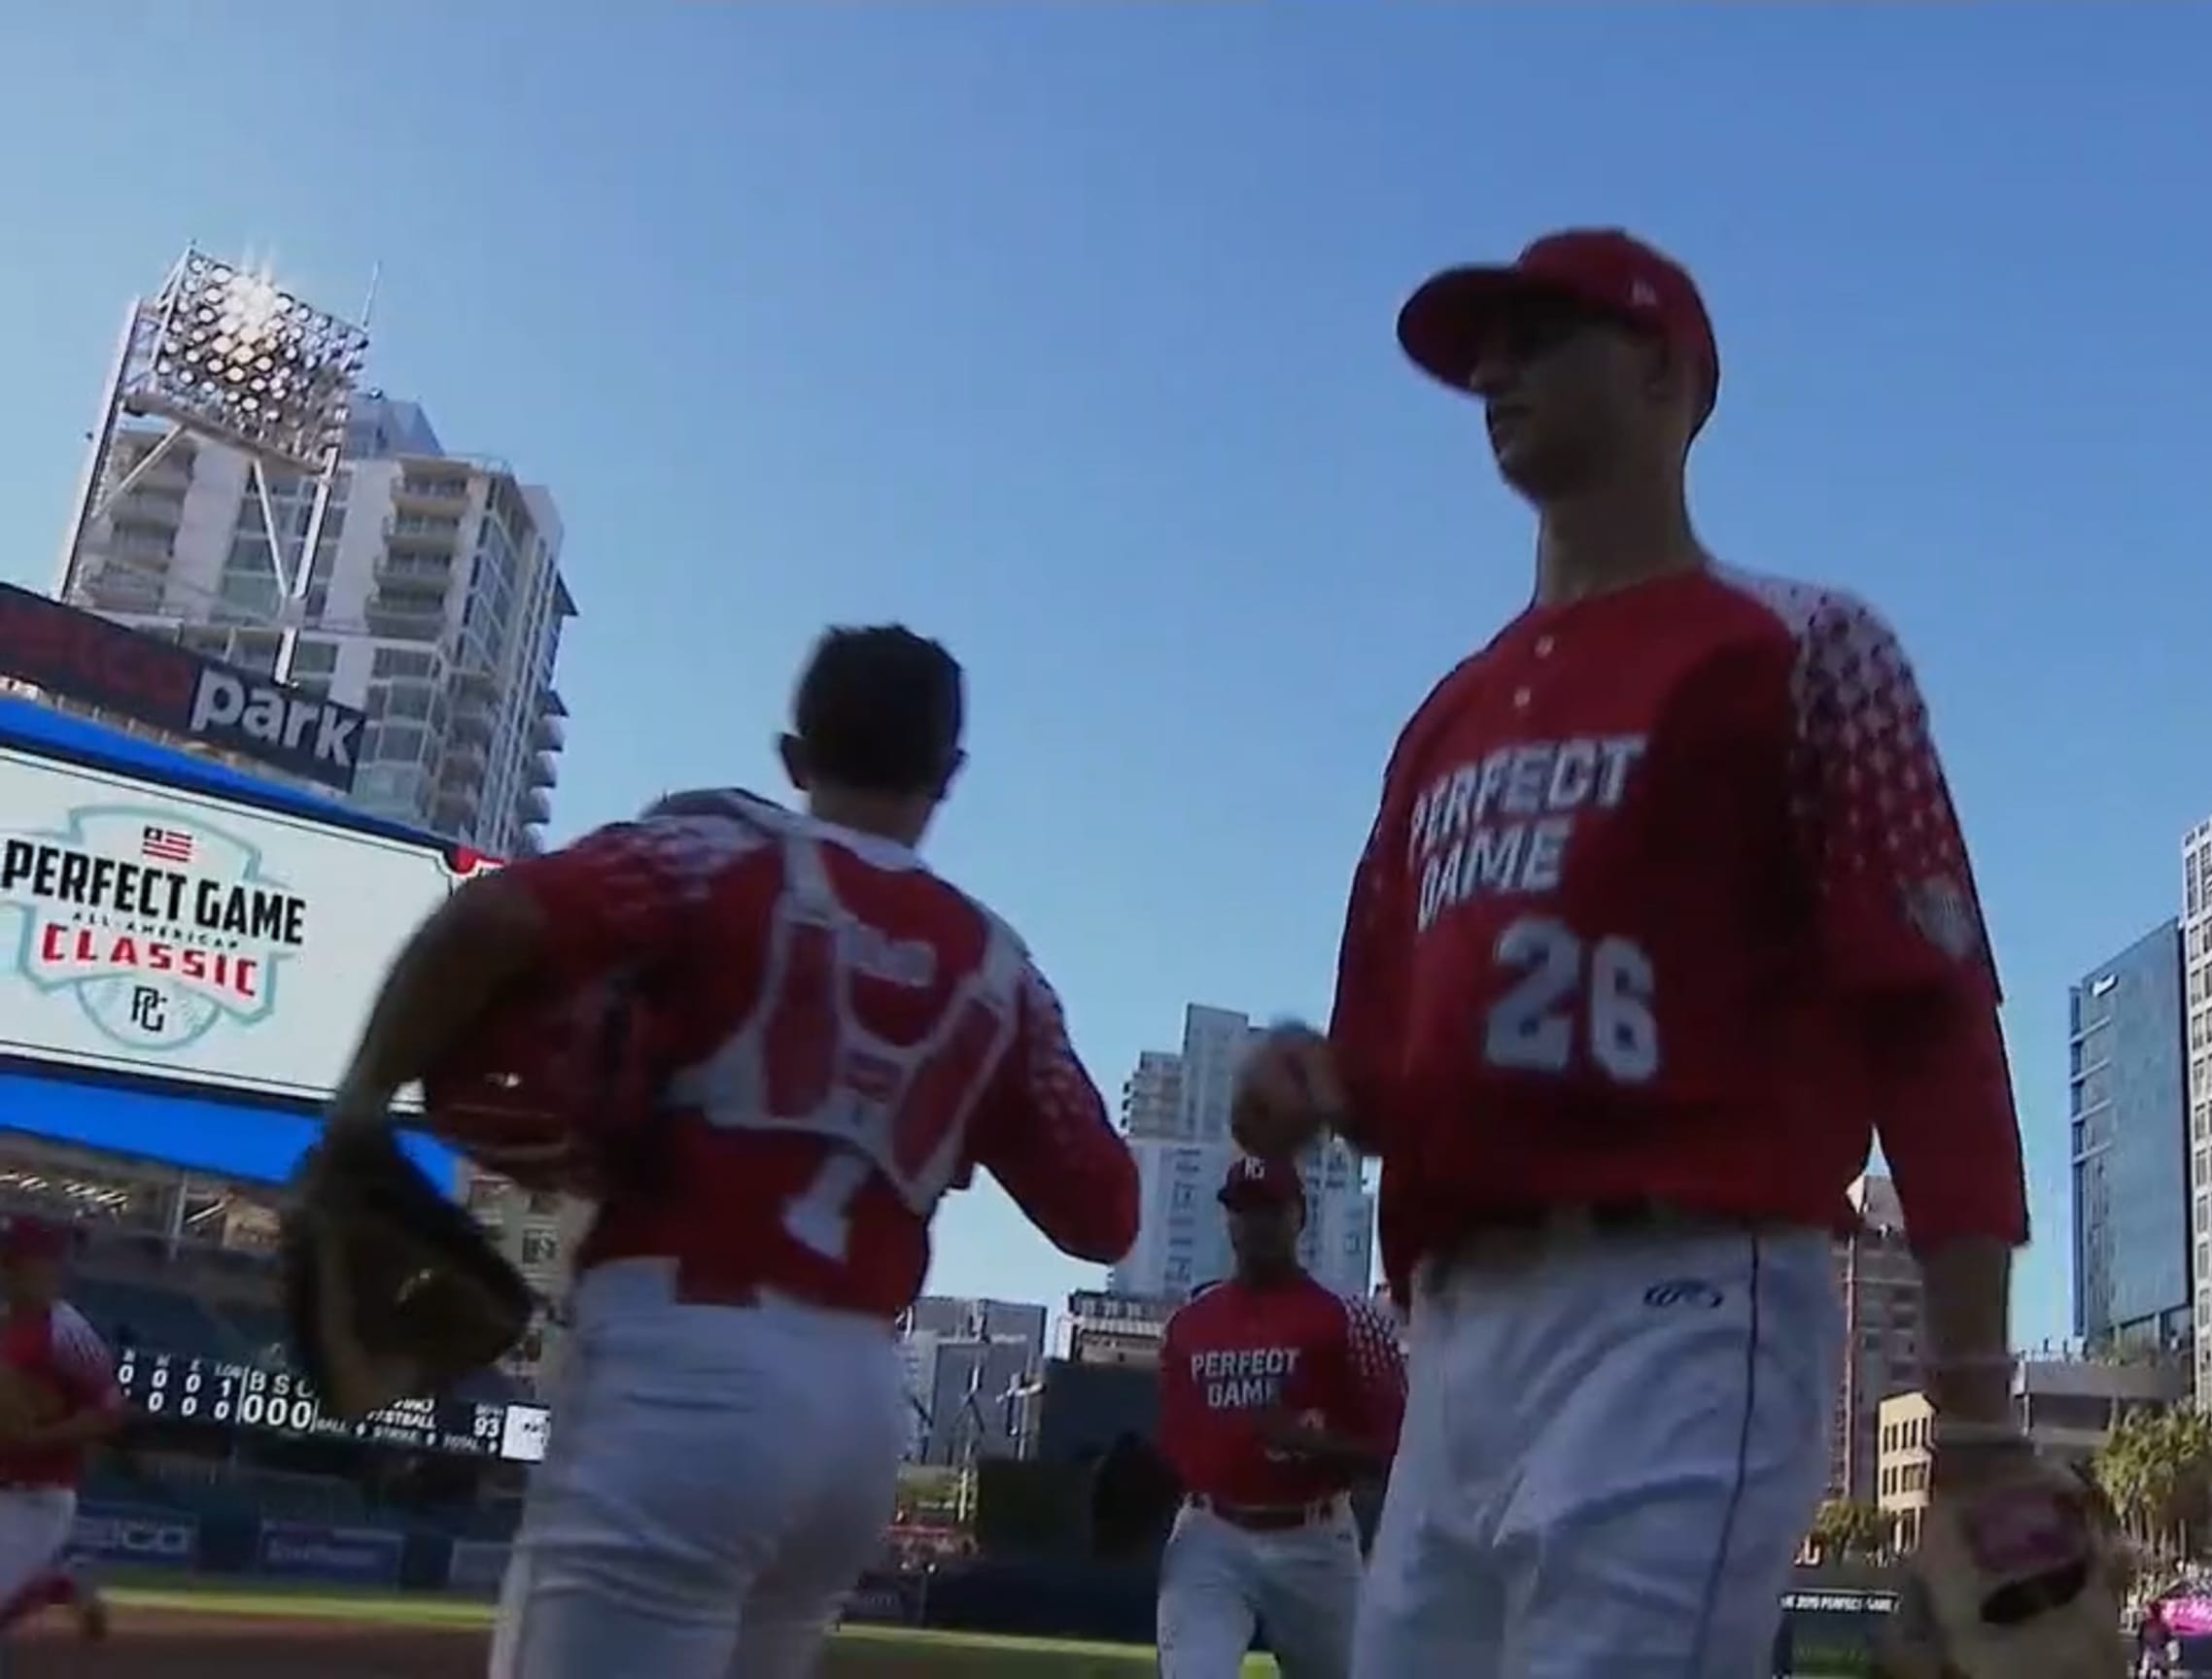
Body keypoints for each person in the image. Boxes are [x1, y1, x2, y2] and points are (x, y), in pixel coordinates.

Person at [1230, 227, 2101, 1675]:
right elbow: (1386, 1065)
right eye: (1482, 350)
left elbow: (1931, 1022)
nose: (1494, 373)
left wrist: (1976, 1408)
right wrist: (1307, 1080)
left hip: (1686, 1303)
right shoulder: (1444, 721)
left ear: (1660, 370)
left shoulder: (1804, 647)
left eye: (1538, 336)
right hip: (1454, 1332)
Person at [319, 624, 1140, 1679]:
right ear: (949, 775)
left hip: (683, 1363)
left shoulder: (714, 856)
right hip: (855, 1410)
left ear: (795, 758)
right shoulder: (1002, 968)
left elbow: (490, 918)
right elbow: (1103, 1215)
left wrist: (358, 1110)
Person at [1152, 1156, 1403, 1678]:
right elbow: (1177, 1448)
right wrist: (1147, 1482)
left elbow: (1402, 1455)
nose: (1255, 1224)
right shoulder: (1190, 1324)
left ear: (1300, 1216)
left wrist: (1318, 1444)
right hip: (1210, 1531)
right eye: (1243, 1210)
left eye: (1270, 1210)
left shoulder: (1347, 1317)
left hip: (1313, 1536)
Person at [0, 1221, 118, 1645]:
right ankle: (60, 1582)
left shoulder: (66, 1330)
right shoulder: (5, 1325)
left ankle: (58, 1581)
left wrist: (36, 1439)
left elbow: (108, 1411)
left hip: (40, 1497)